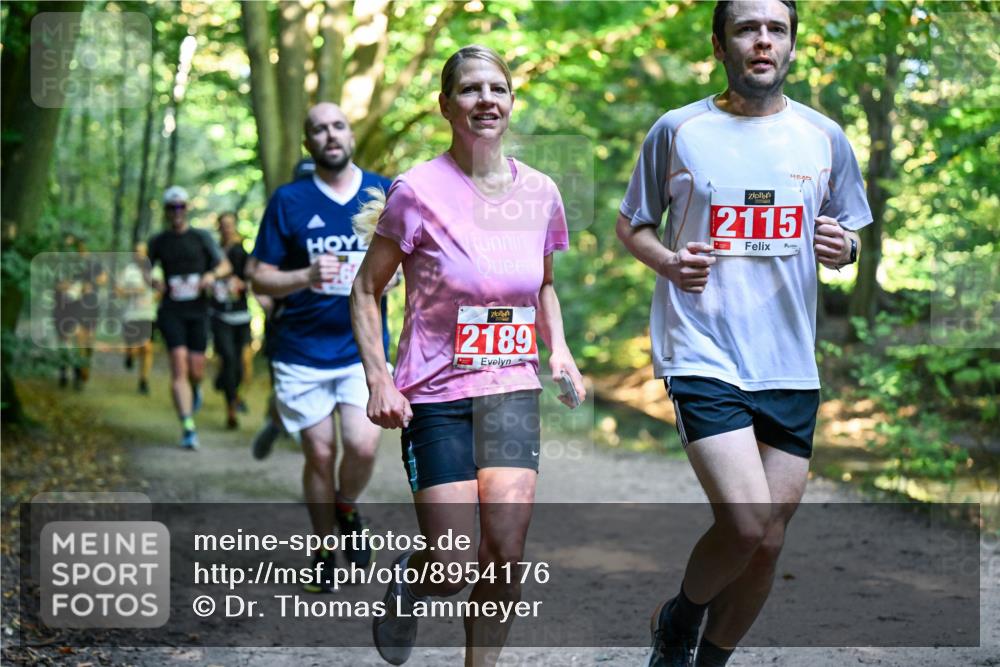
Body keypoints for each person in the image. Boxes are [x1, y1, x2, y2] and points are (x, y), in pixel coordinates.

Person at [616, 2, 871, 665]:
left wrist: (843, 250)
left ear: (790, 44)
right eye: (746, 29)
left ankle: (710, 659)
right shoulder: (678, 130)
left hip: (789, 362)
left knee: (769, 541)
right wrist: (670, 261)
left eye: (776, 29)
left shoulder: (825, 137)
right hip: (703, 350)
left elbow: (851, 242)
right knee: (746, 519)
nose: (762, 41)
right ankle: (679, 618)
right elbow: (632, 224)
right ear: (721, 43)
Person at [351, 45, 585, 666]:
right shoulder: (417, 191)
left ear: (511, 102)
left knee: (506, 554)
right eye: (471, 90)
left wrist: (557, 349)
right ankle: (410, 585)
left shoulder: (540, 192)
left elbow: (543, 285)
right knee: (451, 563)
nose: (487, 100)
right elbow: (367, 288)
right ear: (446, 105)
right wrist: (380, 380)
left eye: (498, 89)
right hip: (435, 397)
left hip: (509, 388)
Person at [249, 103, 391, 586]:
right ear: (308, 144)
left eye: (338, 126)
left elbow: (416, 258)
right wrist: (305, 275)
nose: (330, 135)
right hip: (301, 351)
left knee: (362, 446)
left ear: (350, 134)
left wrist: (392, 280)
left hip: (361, 349)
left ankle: (346, 507)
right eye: (318, 130)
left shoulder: (383, 192)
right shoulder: (288, 201)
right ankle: (324, 553)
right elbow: (259, 279)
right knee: (320, 454)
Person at [148, 186, 231, 449]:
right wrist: (154, 281)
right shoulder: (158, 241)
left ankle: (196, 389)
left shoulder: (201, 237)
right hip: (171, 310)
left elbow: (224, 265)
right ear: (165, 211)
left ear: (187, 209)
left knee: (196, 368)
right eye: (172, 208)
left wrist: (211, 276)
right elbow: (142, 269)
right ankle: (187, 425)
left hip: (198, 310)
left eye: (181, 207)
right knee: (178, 364)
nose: (177, 212)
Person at [248, 157, 316, 459]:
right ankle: (280, 423)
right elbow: (256, 273)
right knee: (289, 389)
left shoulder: (341, 215)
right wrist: (269, 306)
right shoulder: (283, 216)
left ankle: (287, 427)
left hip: (335, 321)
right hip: (289, 320)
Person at [210, 212, 252, 429]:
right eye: (223, 225)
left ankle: (235, 393)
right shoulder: (214, 252)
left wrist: (241, 284)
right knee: (228, 360)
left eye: (230, 225)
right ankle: (231, 410)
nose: (227, 228)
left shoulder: (241, 251)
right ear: (219, 227)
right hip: (219, 316)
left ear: (235, 226)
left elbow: (252, 279)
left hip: (241, 315)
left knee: (242, 363)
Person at [53, 234, 107, 390]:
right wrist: (67, 286)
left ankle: (79, 371)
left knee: (83, 339)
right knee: (64, 339)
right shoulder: (64, 262)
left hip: (87, 306)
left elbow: (103, 279)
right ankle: (64, 371)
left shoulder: (94, 262)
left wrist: (89, 285)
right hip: (65, 305)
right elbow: (56, 284)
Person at [116, 241, 157, 395]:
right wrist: (133, 291)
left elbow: (162, 289)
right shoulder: (128, 271)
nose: (139, 254)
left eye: (142, 251)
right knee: (133, 348)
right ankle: (129, 355)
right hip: (131, 315)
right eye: (136, 251)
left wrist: (155, 297)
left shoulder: (155, 270)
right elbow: (118, 291)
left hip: (148, 314)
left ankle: (144, 380)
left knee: (147, 348)